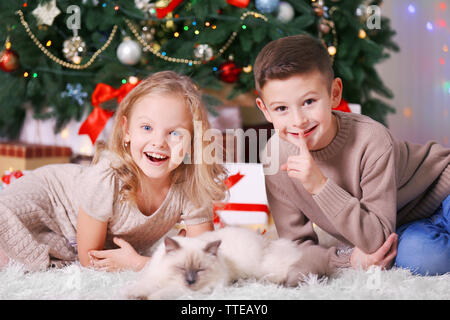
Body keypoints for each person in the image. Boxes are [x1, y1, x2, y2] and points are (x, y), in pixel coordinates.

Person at [254, 35, 450, 276]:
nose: (298, 121)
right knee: (423, 258)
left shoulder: (372, 139)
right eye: (281, 108)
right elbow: (295, 249)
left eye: (309, 101)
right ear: (265, 110)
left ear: (335, 93)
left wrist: (320, 186)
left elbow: (375, 238)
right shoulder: (275, 156)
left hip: (442, 191)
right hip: (402, 223)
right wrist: (347, 260)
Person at [0, 71, 227, 272]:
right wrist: (154, 263)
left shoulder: (191, 184)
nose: (159, 142)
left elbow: (204, 259)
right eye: (146, 127)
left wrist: (139, 263)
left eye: (175, 133)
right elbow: (90, 260)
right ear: (126, 130)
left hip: (67, 236)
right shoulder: (107, 178)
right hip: (47, 198)